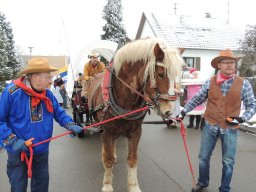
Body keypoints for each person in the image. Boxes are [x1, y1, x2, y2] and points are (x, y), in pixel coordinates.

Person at [177, 49, 256, 192]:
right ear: (219, 65)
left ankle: (224, 189)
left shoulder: (243, 84)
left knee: (228, 162)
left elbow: (252, 105)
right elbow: (196, 99)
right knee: (203, 157)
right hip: (210, 126)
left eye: (232, 62)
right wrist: (183, 111)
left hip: (230, 129)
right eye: (225, 62)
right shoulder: (210, 82)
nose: (229, 65)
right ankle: (202, 183)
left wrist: (243, 118)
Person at [0, 58, 83, 192]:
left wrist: (70, 124)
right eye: (47, 77)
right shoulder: (12, 93)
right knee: (18, 188)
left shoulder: (48, 94)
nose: (51, 81)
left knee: (41, 187)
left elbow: (59, 112)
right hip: (18, 150)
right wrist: (11, 140)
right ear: (35, 76)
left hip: (41, 150)